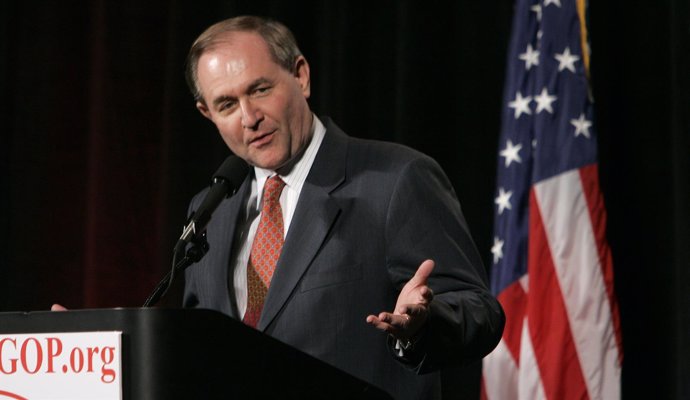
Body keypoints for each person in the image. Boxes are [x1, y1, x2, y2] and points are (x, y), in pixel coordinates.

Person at [182, 15, 504, 399]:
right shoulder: (208, 212)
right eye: (227, 104)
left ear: (300, 76)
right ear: (207, 113)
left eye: (261, 89)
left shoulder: (395, 179)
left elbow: (479, 310)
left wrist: (423, 326)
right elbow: (195, 346)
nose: (250, 118)